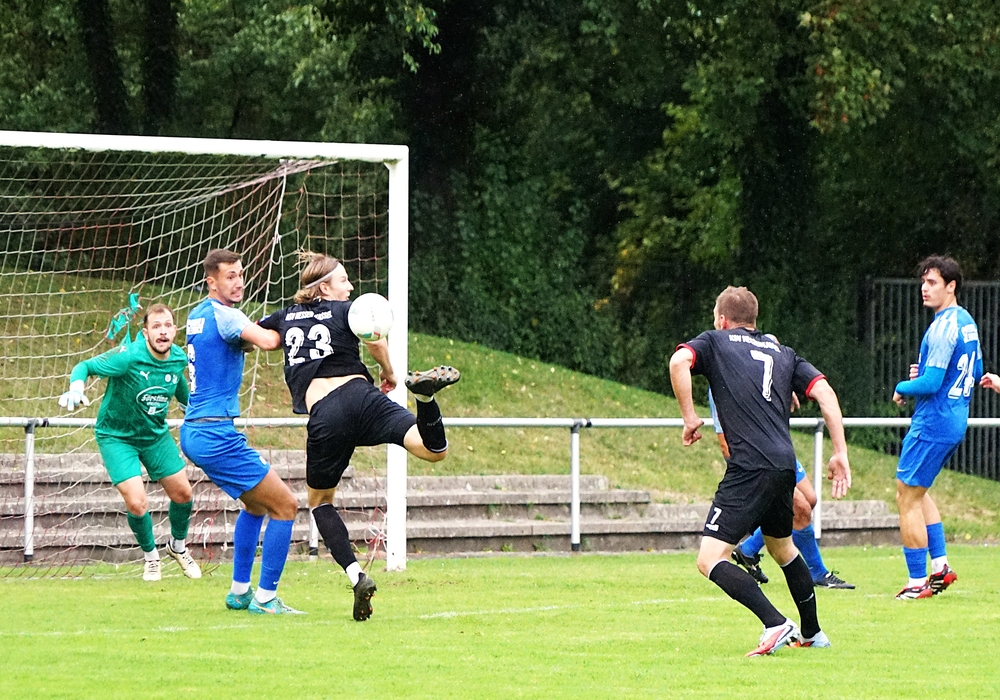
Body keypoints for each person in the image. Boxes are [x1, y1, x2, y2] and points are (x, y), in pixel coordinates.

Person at [257, 251, 460, 621]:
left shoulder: (284, 316)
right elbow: (375, 338)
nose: (349, 287)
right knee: (432, 450)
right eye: (343, 280)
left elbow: (262, 337)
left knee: (320, 502)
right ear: (324, 288)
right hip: (362, 398)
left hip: (326, 415)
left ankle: (356, 576)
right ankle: (425, 398)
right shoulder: (347, 310)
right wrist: (390, 373)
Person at [669, 286, 851, 656]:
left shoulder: (715, 342)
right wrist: (840, 452)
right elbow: (825, 394)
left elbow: (678, 362)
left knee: (709, 559)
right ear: (753, 321)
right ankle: (813, 633)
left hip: (749, 467)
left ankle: (775, 622)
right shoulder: (782, 352)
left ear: (722, 320)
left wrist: (690, 418)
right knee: (782, 548)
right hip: (784, 464)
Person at [179, 249, 303, 615]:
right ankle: (265, 598)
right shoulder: (227, 315)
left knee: (255, 504)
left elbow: (241, 341)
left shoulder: (198, 315)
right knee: (286, 505)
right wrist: (291, 320)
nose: (238, 282)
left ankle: (239, 592)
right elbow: (268, 342)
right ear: (211, 281)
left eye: (241, 274)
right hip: (215, 433)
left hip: (198, 430)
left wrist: (256, 330)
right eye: (230, 276)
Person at [57, 303, 201, 582]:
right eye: (156, 326)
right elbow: (84, 366)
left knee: (183, 494)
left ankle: (178, 547)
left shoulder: (178, 358)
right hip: (117, 437)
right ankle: (151, 558)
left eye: (167, 326)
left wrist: (193, 408)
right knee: (137, 502)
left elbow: (178, 384)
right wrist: (76, 387)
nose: (162, 331)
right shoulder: (127, 357)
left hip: (155, 435)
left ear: (175, 330)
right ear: (145, 332)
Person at [709, 346, 854, 590]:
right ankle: (817, 572)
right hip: (755, 460)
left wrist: (783, 384)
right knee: (800, 508)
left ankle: (748, 550)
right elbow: (725, 441)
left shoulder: (762, 353)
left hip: (777, 449)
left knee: (810, 500)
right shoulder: (724, 374)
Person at [891, 256, 981, 600]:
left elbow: (930, 384)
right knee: (919, 491)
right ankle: (940, 566)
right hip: (955, 417)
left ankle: (917, 582)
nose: (924, 289)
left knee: (906, 495)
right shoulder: (966, 321)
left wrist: (902, 386)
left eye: (932, 283)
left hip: (934, 420)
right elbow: (974, 370)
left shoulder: (943, 326)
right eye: (923, 283)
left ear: (951, 286)